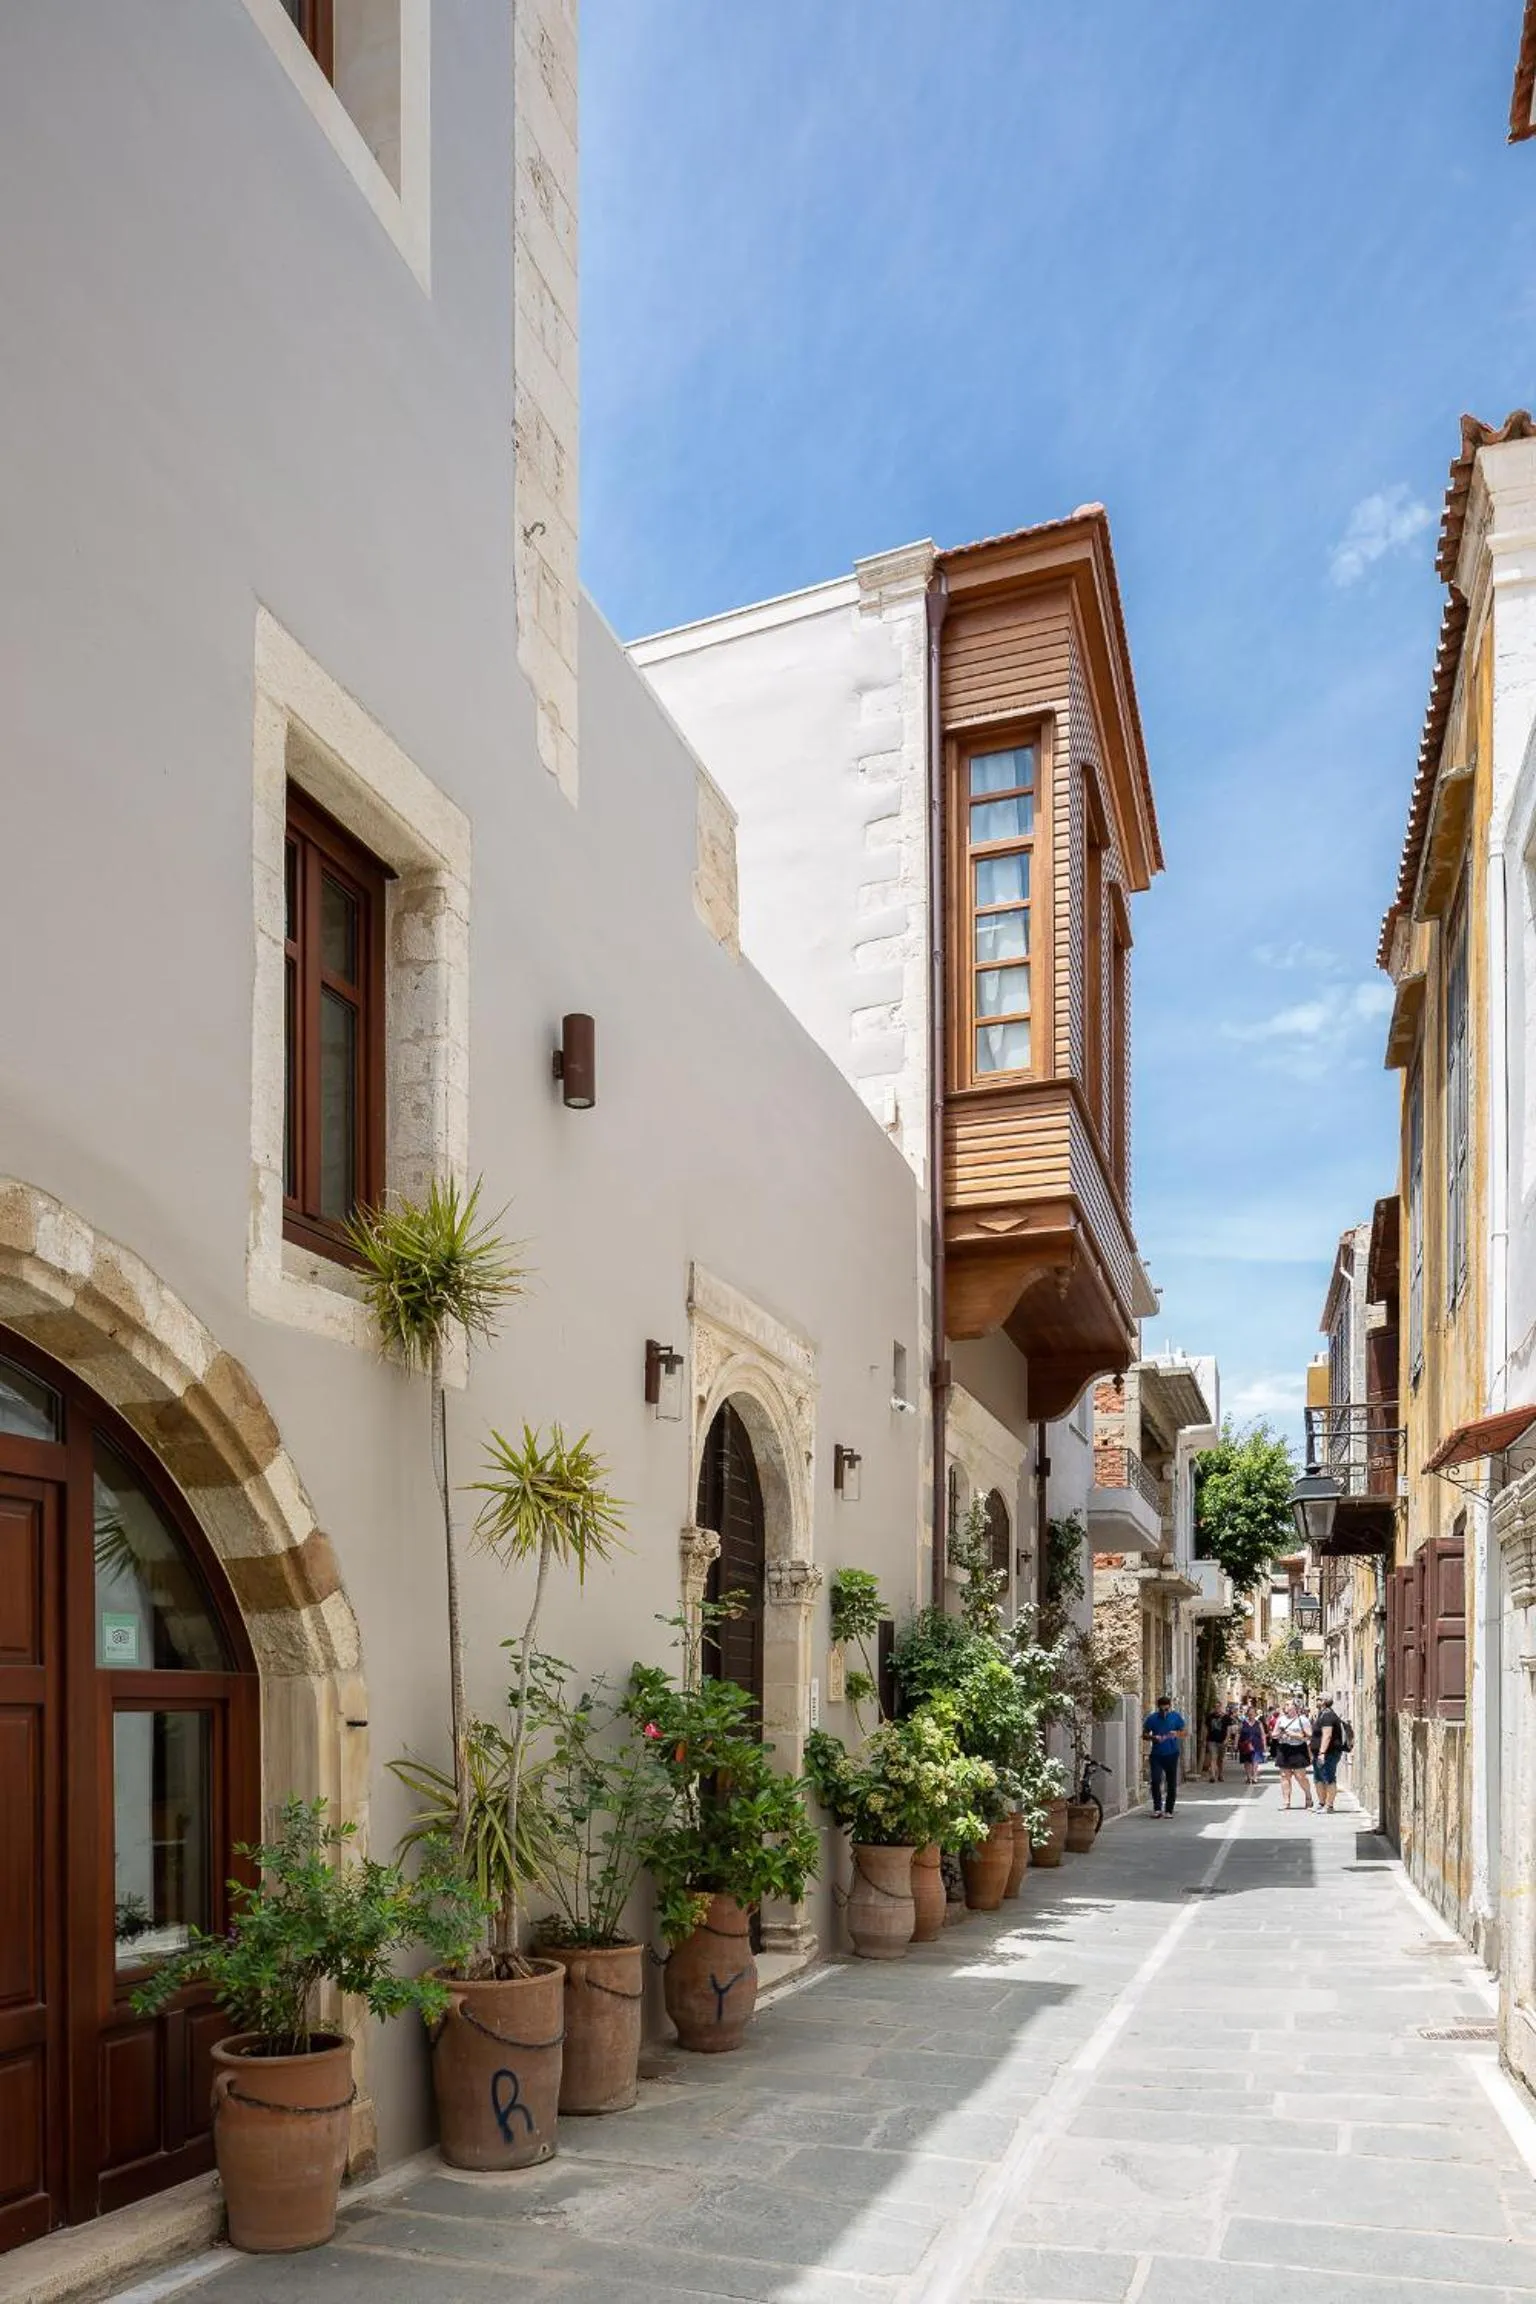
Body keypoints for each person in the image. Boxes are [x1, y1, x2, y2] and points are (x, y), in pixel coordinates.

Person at [1142, 1692, 1186, 1817]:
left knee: (1171, 1782)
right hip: (1156, 1754)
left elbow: (1184, 1732)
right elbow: (1144, 1734)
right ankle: (1157, 1808)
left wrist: (1176, 1734)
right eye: (1162, 1710)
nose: (1164, 1713)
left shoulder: (1176, 1717)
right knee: (1155, 1780)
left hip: (1172, 1753)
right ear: (1158, 1708)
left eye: (1166, 1709)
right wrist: (1153, 1737)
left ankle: (1169, 1810)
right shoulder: (1152, 1718)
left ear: (1169, 1707)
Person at [1271, 1692, 1314, 1810]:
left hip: (1298, 1749)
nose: (1285, 1706)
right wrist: (1280, 1734)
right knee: (1284, 1776)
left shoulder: (1302, 1720)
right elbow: (1274, 1734)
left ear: (1295, 1707)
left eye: (1288, 1704)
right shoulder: (1281, 1719)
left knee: (1300, 1776)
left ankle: (1308, 1796)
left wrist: (1294, 1734)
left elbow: (1309, 1735)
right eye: (1285, 1704)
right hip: (1284, 1748)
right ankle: (1286, 1802)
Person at [1311, 1692, 1346, 1811]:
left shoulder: (1328, 1715)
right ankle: (1322, 1803)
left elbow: (1327, 1735)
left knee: (1328, 1777)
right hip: (1320, 1753)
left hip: (1329, 1753)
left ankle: (1329, 1805)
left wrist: (1322, 1753)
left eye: (1318, 1699)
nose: (1316, 1701)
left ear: (1324, 1701)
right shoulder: (1322, 1714)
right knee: (1318, 1778)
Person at [1236, 1701, 1266, 1786]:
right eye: (1249, 1712)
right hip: (1245, 1745)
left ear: (1255, 1714)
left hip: (1257, 1744)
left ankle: (1255, 1776)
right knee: (1247, 1761)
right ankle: (1249, 1777)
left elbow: (1263, 1734)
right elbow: (1238, 1733)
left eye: (1253, 1712)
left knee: (1255, 1761)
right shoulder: (1243, 1723)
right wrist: (1235, 1743)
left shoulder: (1259, 1723)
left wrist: (1264, 1745)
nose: (1251, 1714)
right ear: (1247, 1714)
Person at [1203, 1700, 1230, 1782]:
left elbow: (1229, 1729)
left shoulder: (1226, 1717)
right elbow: (1206, 1728)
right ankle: (1213, 1776)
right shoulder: (1209, 1717)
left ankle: (1220, 1774)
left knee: (1220, 1760)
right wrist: (1205, 1739)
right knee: (1213, 1757)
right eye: (1215, 1707)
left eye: (1218, 1706)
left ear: (1221, 1707)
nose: (1217, 1708)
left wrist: (1226, 1739)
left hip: (1222, 1741)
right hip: (1211, 1740)